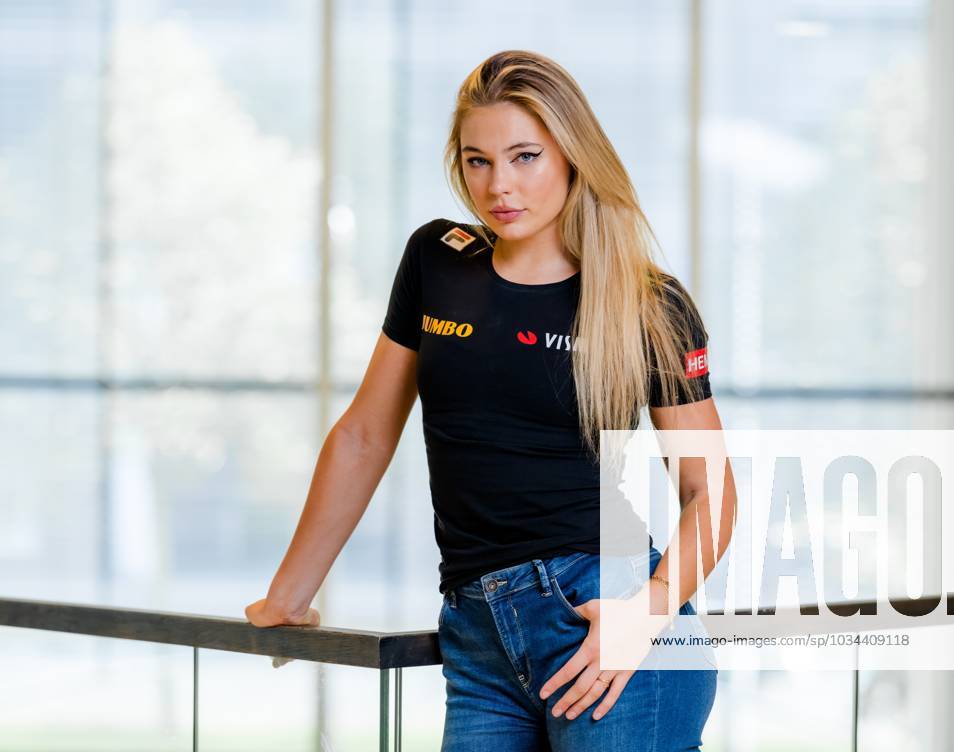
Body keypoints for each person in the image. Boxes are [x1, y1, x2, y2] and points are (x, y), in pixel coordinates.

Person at [246, 49, 737, 751]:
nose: (498, 185)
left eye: (524, 157)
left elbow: (710, 492)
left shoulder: (645, 302)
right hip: (476, 635)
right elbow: (364, 435)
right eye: (477, 160)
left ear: (573, 154)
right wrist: (289, 595)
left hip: (609, 617)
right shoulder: (436, 261)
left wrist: (651, 609)